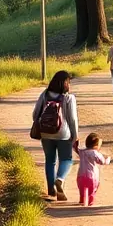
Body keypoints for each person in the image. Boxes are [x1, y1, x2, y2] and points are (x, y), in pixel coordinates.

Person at [32, 70, 78, 202]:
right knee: (66, 159)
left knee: (50, 160)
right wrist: (75, 136)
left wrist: (42, 123)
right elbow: (72, 119)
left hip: (45, 133)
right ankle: (60, 179)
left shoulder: (45, 94)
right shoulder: (69, 98)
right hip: (63, 134)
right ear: (65, 83)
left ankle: (51, 190)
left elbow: (35, 114)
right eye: (68, 82)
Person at [74, 132, 111, 207]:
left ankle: (82, 198)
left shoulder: (82, 152)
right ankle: (91, 199)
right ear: (96, 146)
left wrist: (76, 143)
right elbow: (102, 162)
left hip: (81, 176)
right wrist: (108, 159)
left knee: (81, 188)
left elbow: (76, 148)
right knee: (93, 189)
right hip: (92, 177)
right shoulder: (95, 153)